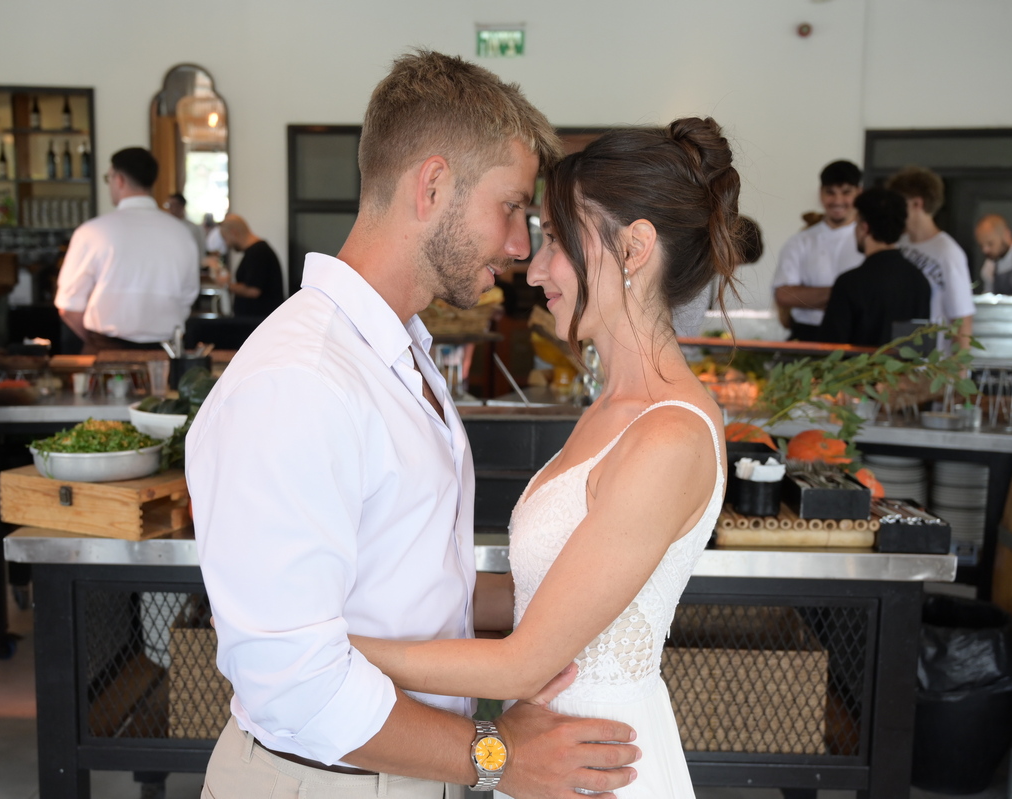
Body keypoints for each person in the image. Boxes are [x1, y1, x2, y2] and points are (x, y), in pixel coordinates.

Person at [186, 51, 640, 799]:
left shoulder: (400, 351)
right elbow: (293, 682)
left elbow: (415, 581)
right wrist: (498, 755)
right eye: (510, 207)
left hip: (410, 770)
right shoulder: (300, 380)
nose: (521, 246)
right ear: (432, 186)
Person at [350, 120, 738, 798]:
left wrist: (328, 645)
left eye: (556, 239)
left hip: (600, 767)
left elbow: (521, 666)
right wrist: (356, 593)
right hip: (546, 753)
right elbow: (535, 594)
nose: (533, 269)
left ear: (634, 247)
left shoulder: (669, 436)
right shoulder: (613, 409)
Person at [55, 147, 199, 353]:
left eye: (109, 178)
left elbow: (69, 305)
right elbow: (187, 298)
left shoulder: (92, 232)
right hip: (165, 351)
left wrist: (97, 342)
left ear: (119, 179)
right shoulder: (182, 233)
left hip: (105, 348)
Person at [817, 188, 931, 347]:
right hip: (903, 364)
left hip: (856, 364)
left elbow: (830, 350)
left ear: (864, 228)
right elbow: (917, 348)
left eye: (856, 223)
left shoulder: (850, 284)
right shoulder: (919, 281)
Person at [772, 160, 864, 341]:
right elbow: (784, 295)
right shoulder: (801, 241)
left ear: (859, 193)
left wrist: (810, 296)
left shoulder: (870, 239)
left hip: (856, 336)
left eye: (846, 192)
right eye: (830, 192)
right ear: (821, 194)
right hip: (809, 334)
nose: (838, 201)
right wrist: (846, 296)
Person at [886, 166, 975, 349]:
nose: (892, 210)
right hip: (900, 353)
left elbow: (962, 319)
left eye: (898, 203)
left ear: (916, 204)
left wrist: (958, 365)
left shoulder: (948, 252)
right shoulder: (899, 244)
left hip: (934, 359)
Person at [673, 214, 763, 339]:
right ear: (726, 240)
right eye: (735, 262)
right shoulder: (686, 263)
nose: (732, 270)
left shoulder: (706, 274)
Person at [217, 214, 285, 318]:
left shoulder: (258, 253)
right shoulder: (256, 251)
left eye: (225, 238)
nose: (227, 244)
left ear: (233, 232)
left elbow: (253, 290)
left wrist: (226, 285)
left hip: (258, 321)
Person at [164, 191, 207, 262]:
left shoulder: (192, 228)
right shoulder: (166, 226)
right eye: (169, 205)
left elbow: (199, 251)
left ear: (181, 206)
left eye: (173, 205)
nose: (170, 208)